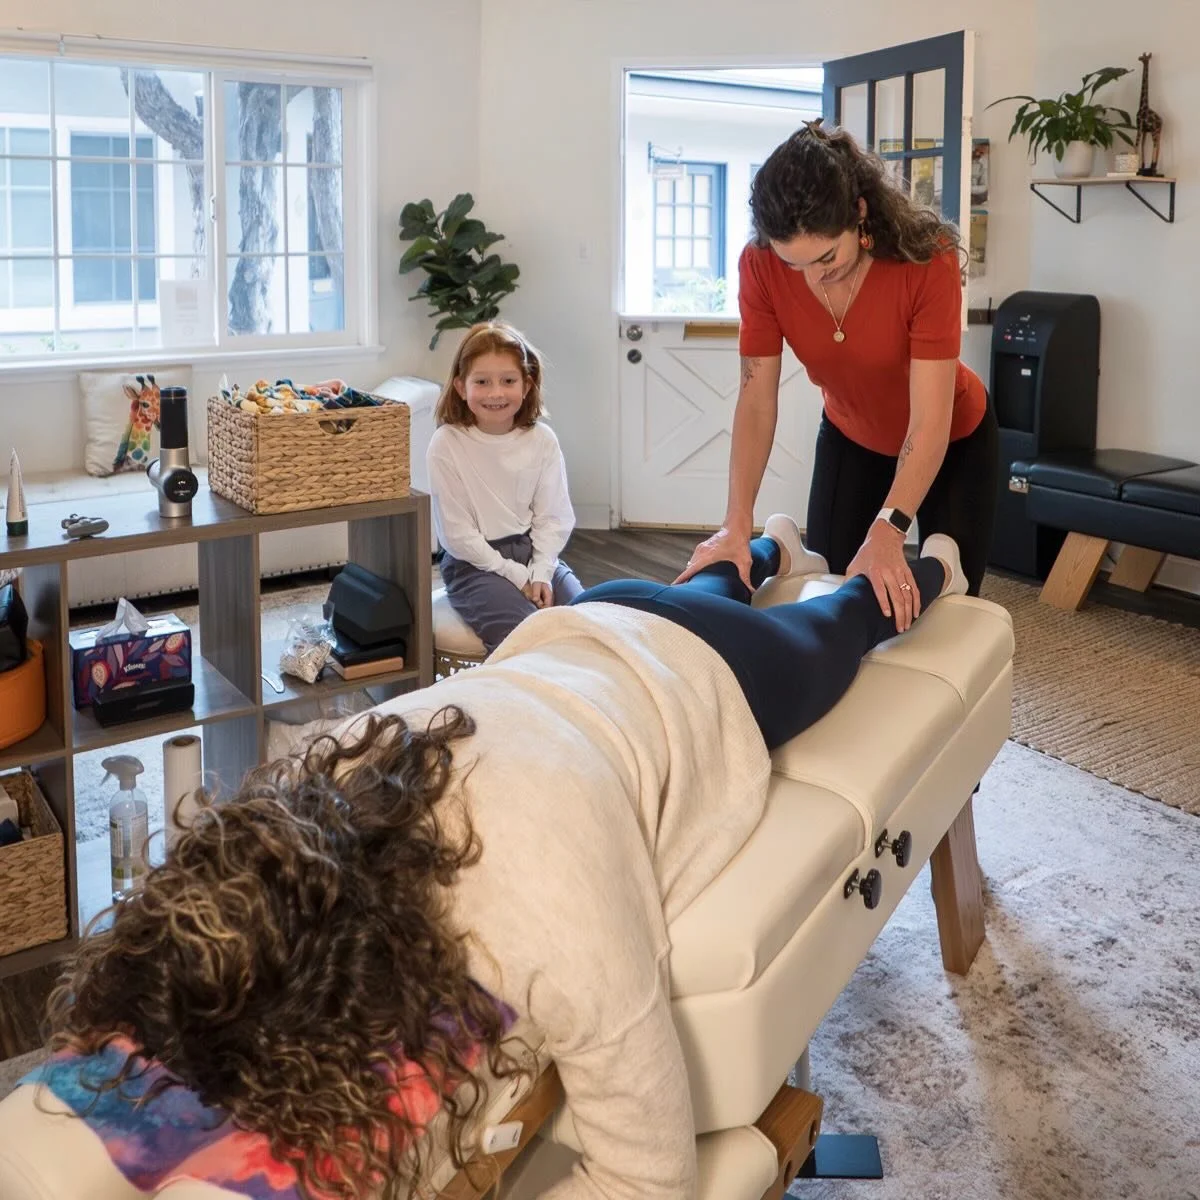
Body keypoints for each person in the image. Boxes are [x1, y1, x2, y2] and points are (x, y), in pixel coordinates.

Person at [26, 524, 970, 1200]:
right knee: (702, 591)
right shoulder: (320, 774)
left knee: (846, 620)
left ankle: (935, 564)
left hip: (705, 670)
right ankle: (760, 549)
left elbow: (652, 1178)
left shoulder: (551, 921)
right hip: (585, 625)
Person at [678, 120, 999, 632]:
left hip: (952, 436)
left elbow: (928, 421)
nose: (813, 277)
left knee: (948, 614)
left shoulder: (926, 260)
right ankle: (788, 548)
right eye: (794, 264)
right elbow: (756, 401)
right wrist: (735, 524)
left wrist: (890, 528)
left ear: (860, 213)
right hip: (852, 436)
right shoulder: (759, 265)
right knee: (836, 596)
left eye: (827, 256)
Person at [428, 321, 584, 655]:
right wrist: (515, 575)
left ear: (527, 385)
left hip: (533, 553)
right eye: (482, 382)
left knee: (588, 621)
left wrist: (541, 571)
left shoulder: (542, 440)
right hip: (472, 564)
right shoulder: (447, 443)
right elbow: (457, 535)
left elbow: (553, 517)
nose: (496, 393)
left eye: (508, 381)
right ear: (461, 387)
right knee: (528, 638)